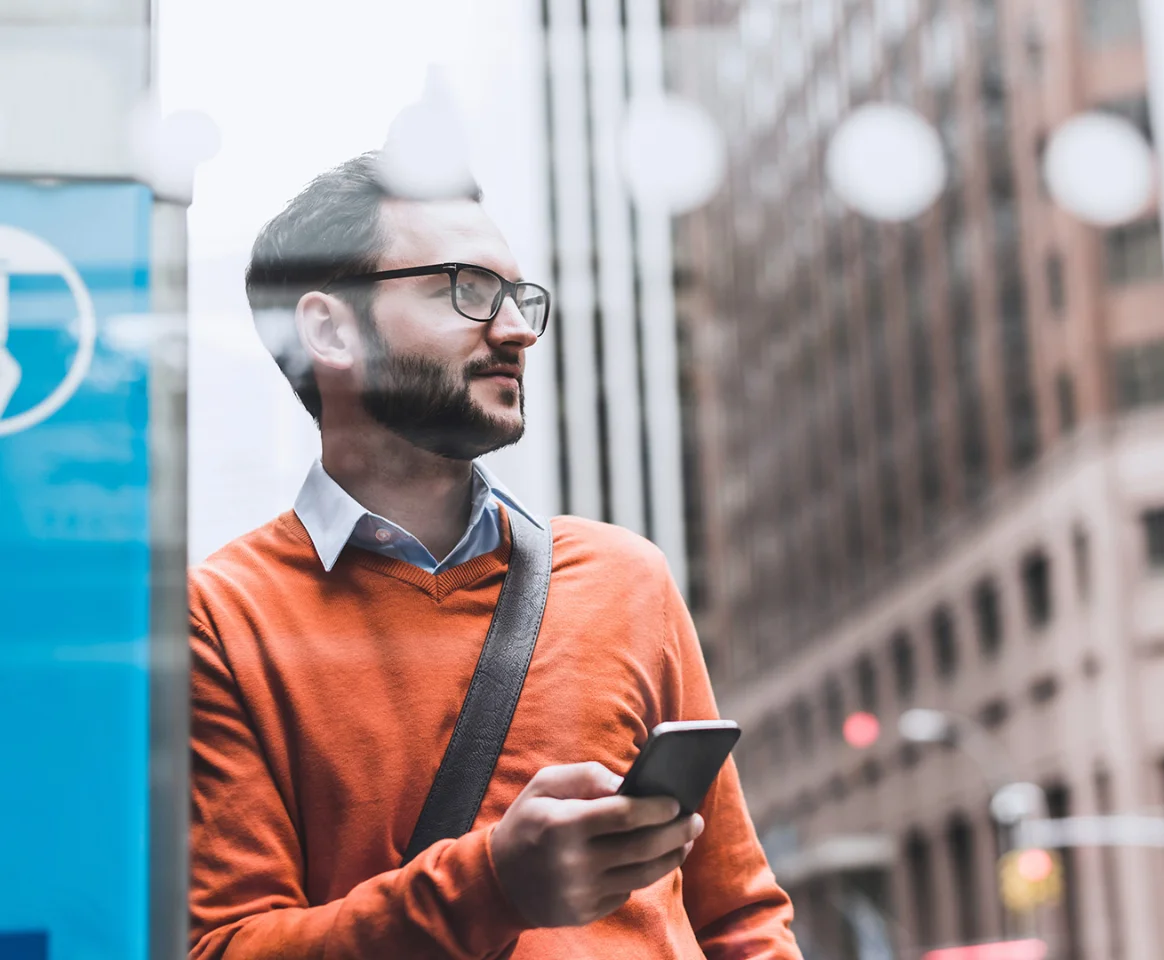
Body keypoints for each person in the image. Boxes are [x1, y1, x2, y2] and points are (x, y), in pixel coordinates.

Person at [188, 153, 800, 959]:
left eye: (517, 298)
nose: (515, 330)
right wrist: (492, 887)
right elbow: (226, 948)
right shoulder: (223, 617)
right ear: (331, 329)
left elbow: (743, 922)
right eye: (466, 291)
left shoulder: (627, 578)